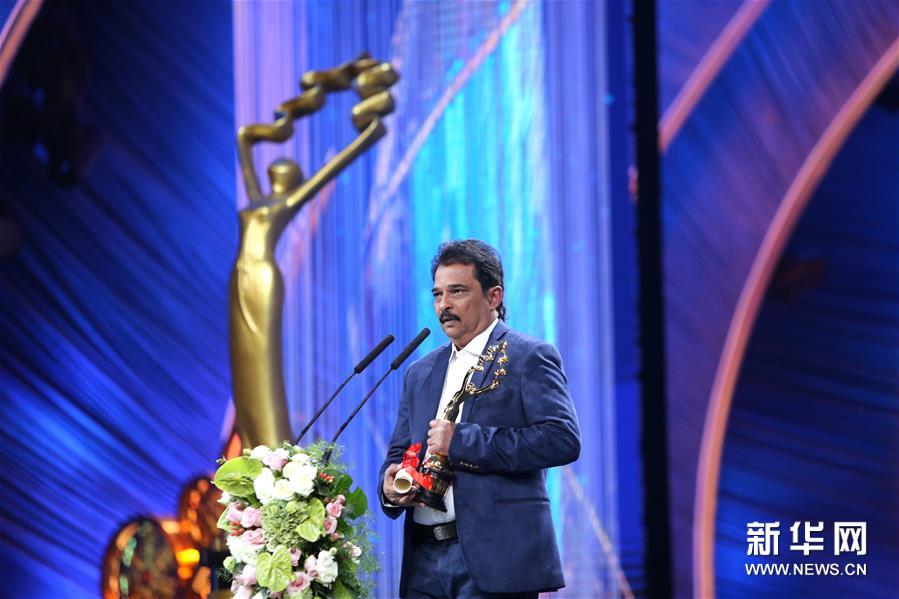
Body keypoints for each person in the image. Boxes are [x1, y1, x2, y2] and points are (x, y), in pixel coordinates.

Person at [379, 239, 581, 598]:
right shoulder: (419, 372)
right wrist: (391, 486)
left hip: (497, 559)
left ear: (493, 296)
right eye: (438, 294)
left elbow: (562, 439)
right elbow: (399, 451)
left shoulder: (528, 356)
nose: (444, 305)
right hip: (423, 562)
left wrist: (461, 441)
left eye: (457, 291)